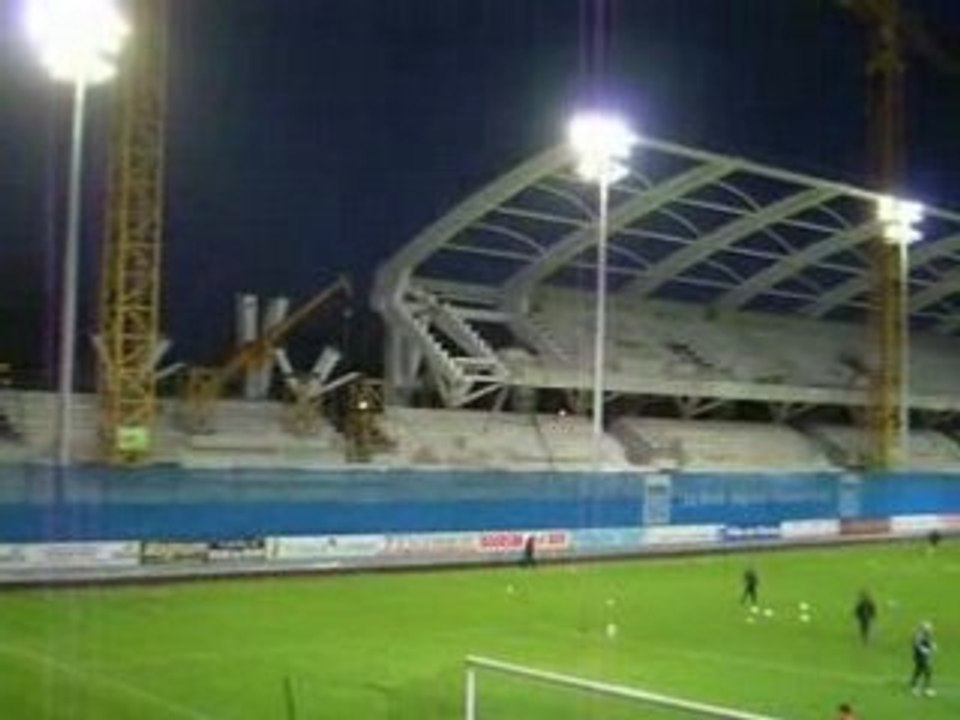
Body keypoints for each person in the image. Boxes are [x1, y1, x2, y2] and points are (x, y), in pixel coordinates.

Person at [909, 621, 936, 696]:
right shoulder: (918, 636)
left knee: (920, 670)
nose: (929, 632)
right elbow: (917, 646)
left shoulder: (928, 635)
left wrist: (933, 647)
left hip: (924, 655)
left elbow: (930, 642)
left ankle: (914, 684)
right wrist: (925, 650)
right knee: (926, 669)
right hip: (918, 655)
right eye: (928, 630)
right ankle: (926, 688)